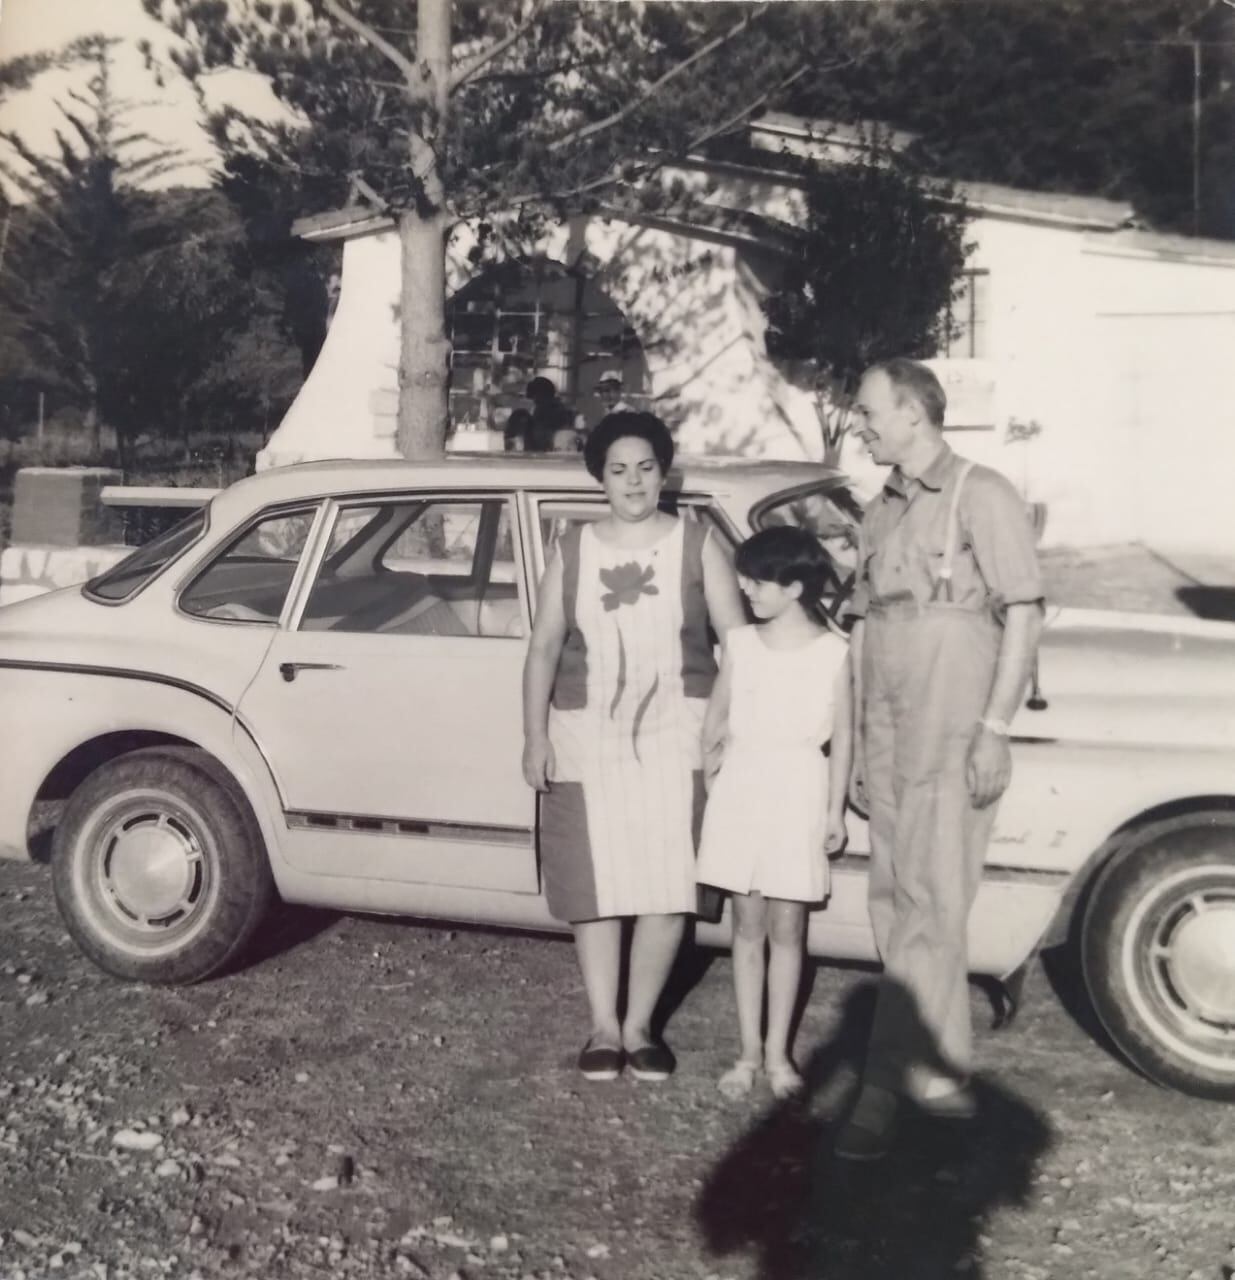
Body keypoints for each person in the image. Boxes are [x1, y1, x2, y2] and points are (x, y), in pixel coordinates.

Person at [834, 358, 1044, 1161]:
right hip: (888, 708)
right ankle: (942, 1073)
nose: (859, 423)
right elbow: (863, 629)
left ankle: (882, 1087)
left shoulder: (979, 494)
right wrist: (857, 741)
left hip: (951, 707)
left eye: (867, 410)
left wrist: (994, 725)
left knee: (933, 896)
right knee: (897, 897)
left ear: (912, 414)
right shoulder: (880, 507)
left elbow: (1023, 614)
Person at [522, 411, 747, 1082]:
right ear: (599, 478)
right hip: (585, 736)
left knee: (666, 882)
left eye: (645, 468)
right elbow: (541, 648)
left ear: (663, 473)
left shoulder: (697, 544)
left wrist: (721, 725)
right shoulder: (572, 549)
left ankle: (641, 1025)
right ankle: (601, 1026)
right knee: (595, 885)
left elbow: (736, 644)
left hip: (678, 736)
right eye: (618, 470)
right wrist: (533, 736)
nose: (633, 482)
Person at [697, 526, 852, 1101]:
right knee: (747, 925)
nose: (746, 590)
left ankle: (779, 1054)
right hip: (744, 785)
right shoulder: (741, 644)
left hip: (798, 790)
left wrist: (834, 811)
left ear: (793, 587)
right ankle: (745, 1053)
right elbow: (717, 715)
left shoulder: (835, 653)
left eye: (757, 581)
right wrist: (712, 766)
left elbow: (845, 741)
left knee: (788, 928)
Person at [525, 376, 582, 453]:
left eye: (535, 397)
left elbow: (541, 435)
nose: (534, 400)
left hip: (554, 450)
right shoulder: (560, 408)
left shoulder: (547, 410)